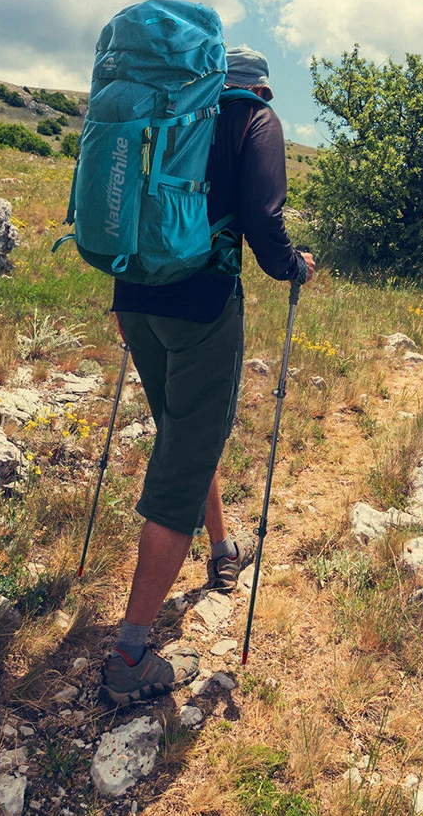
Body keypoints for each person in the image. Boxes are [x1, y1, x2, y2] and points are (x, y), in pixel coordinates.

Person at [99, 46, 316, 706]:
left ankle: (223, 547)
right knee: (182, 462)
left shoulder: (170, 111)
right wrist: (293, 266)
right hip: (202, 303)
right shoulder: (255, 120)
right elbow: (263, 216)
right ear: (262, 88)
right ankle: (131, 654)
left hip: (136, 293)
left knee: (184, 432)